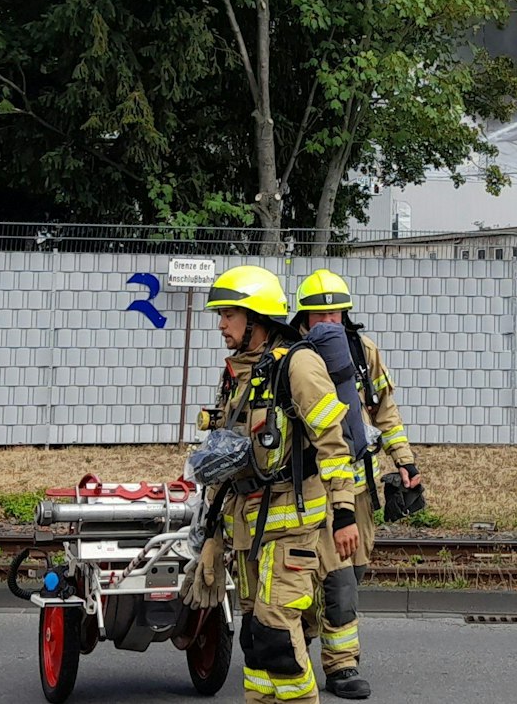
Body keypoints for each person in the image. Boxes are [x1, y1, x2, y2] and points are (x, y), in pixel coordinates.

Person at [188, 265, 357, 704]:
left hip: (292, 526)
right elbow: (226, 462)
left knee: (278, 637)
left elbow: (333, 444)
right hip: (248, 531)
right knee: (256, 641)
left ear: (256, 319)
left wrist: (343, 514)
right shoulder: (239, 376)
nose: (221, 324)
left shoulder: (297, 365)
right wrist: (212, 534)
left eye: (228, 314)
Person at [293, 269, 422, 701]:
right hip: (316, 485)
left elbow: (384, 410)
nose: (328, 321)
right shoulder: (295, 357)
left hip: (361, 485)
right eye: (318, 315)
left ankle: (306, 636)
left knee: (354, 570)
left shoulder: (364, 352)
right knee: (338, 579)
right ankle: (341, 665)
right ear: (303, 318)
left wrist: (404, 459)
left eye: (335, 313)